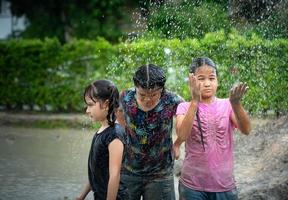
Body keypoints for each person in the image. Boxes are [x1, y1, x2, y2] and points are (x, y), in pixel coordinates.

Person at [176, 57, 251, 200]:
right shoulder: (184, 107)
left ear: (217, 81)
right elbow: (182, 135)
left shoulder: (227, 105)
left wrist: (236, 104)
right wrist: (195, 101)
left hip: (224, 185)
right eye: (201, 79)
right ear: (192, 81)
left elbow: (246, 130)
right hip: (192, 187)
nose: (207, 84)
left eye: (211, 78)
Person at [118, 64, 184, 200]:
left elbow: (187, 122)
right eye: (142, 95)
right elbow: (118, 112)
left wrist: (177, 143)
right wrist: (125, 133)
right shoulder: (126, 97)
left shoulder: (172, 100)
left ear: (162, 89)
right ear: (135, 87)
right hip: (129, 170)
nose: (147, 99)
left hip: (161, 173)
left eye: (153, 95)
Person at [76, 80, 128, 200]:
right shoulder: (102, 131)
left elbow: (115, 175)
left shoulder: (114, 136)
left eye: (90, 105)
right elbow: (95, 171)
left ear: (105, 104)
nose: (87, 110)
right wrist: (81, 196)